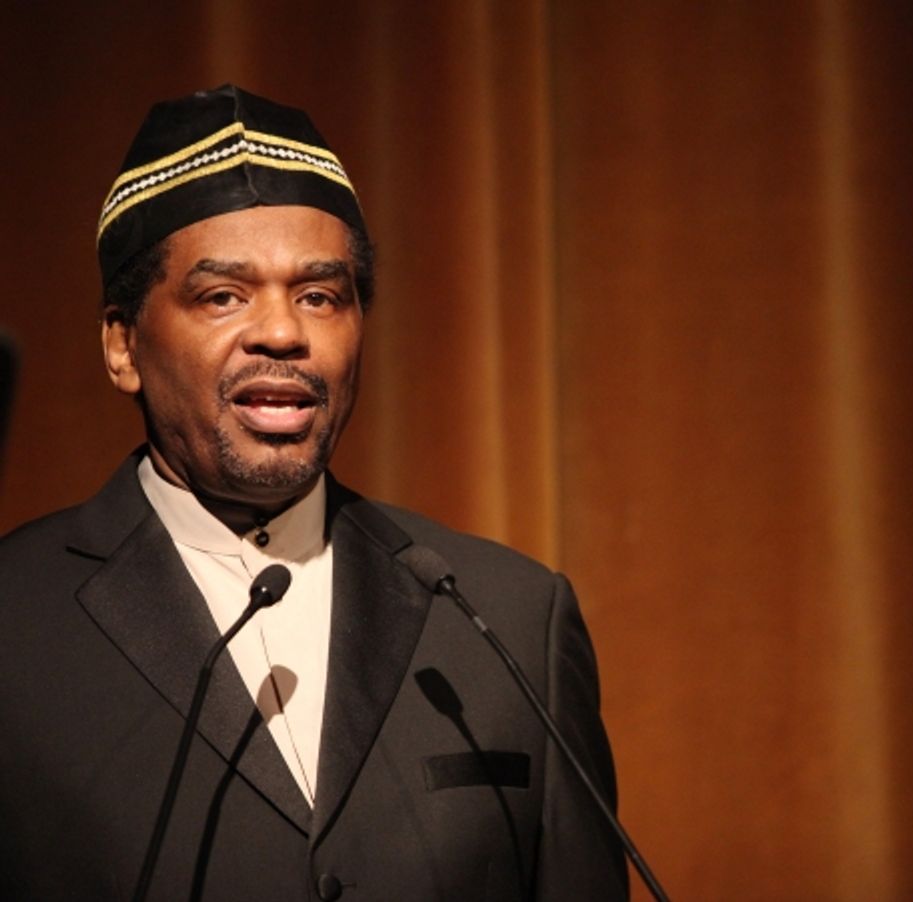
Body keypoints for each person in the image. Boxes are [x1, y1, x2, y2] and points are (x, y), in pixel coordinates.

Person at [0, 85, 628, 901]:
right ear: (122, 344)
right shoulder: (15, 622)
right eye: (223, 296)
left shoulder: (508, 617)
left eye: (320, 296)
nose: (283, 331)